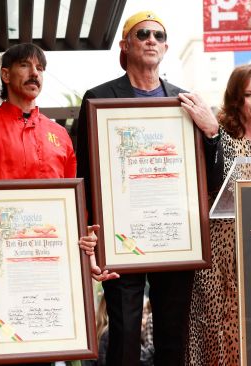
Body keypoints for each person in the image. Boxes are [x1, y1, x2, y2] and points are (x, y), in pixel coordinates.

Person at [0, 43, 116, 366]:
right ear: (6, 74)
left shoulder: (59, 136)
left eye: (40, 67)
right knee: (3, 353)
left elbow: (73, 210)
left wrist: (86, 250)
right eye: (25, 66)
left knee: (46, 354)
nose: (34, 72)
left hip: (52, 270)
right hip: (0, 271)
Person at [75, 10, 223, 366]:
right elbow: (85, 173)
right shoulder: (99, 99)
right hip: (120, 237)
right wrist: (89, 234)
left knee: (173, 334)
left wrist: (212, 131)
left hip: (174, 234)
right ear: (126, 45)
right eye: (142, 34)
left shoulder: (186, 101)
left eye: (158, 35)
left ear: (167, 46)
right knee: (124, 332)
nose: (151, 40)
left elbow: (215, 179)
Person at [186, 63, 251, 365]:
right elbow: (216, 183)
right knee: (216, 326)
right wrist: (212, 133)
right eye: (249, 94)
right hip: (219, 247)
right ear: (236, 98)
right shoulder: (217, 134)